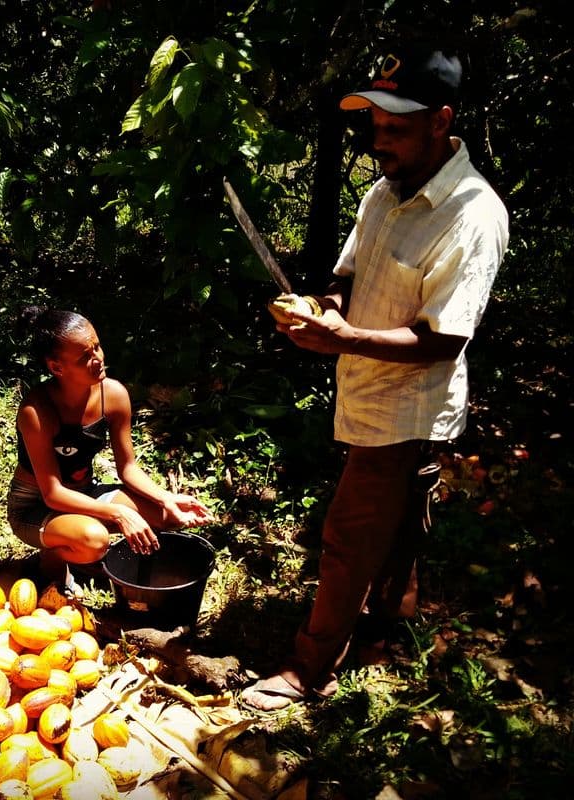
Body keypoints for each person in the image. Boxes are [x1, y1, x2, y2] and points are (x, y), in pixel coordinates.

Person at [241, 43, 509, 711]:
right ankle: (385, 636)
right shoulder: (385, 194)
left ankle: (311, 670)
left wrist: (346, 338)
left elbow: (442, 341)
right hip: (368, 394)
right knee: (399, 531)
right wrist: (320, 313)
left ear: (442, 120)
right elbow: (347, 279)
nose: (378, 140)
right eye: (374, 125)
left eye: (395, 126)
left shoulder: (473, 216)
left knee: (349, 538)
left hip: (409, 407)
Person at [6, 305, 213, 595]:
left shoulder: (113, 395)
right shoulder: (37, 411)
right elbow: (52, 494)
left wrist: (166, 498)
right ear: (56, 367)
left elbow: (127, 468)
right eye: (85, 357)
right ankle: (52, 562)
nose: (98, 359)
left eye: (97, 347)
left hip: (83, 494)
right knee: (94, 541)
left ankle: (73, 548)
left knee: (166, 517)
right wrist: (118, 514)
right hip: (35, 506)